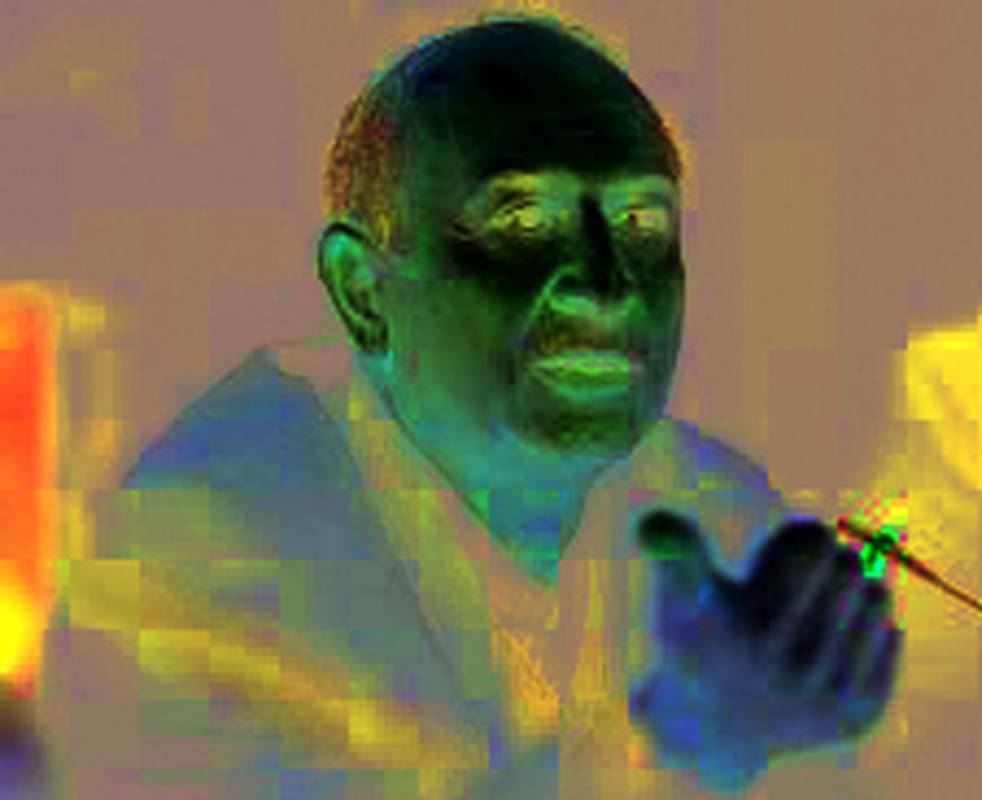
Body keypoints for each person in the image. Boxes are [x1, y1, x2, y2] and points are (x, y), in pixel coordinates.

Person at [30, 15, 900, 799]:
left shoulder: (717, 509)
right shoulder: (197, 551)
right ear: (363, 290)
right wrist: (679, 747)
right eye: (523, 221)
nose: (607, 285)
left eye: (642, 223)